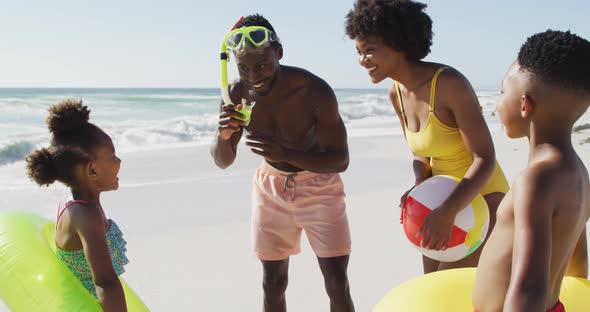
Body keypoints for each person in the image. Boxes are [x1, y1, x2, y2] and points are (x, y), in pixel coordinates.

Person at [345, 0, 509, 273]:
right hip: (439, 203)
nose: (362, 61)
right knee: (431, 285)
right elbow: (420, 152)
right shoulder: (395, 93)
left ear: (398, 42)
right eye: (358, 52)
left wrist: (449, 211)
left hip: (482, 200)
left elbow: (485, 158)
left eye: (369, 50)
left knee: (448, 286)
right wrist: (420, 181)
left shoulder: (449, 84)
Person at [210, 14, 355, 312]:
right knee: (272, 282)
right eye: (244, 67)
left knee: (336, 282)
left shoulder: (313, 91)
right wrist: (223, 137)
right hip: (270, 188)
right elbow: (223, 161)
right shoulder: (236, 93)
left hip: (320, 186)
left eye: (262, 64)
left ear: (279, 52)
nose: (254, 75)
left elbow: (340, 159)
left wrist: (286, 153)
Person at [472, 29, 590, 312]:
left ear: (525, 105)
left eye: (502, 93)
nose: (498, 104)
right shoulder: (578, 172)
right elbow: (578, 263)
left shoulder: (535, 181)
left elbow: (529, 287)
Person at [26, 99, 127, 311]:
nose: (119, 162)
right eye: (113, 156)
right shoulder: (85, 214)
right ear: (92, 171)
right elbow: (105, 281)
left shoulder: (78, 206)